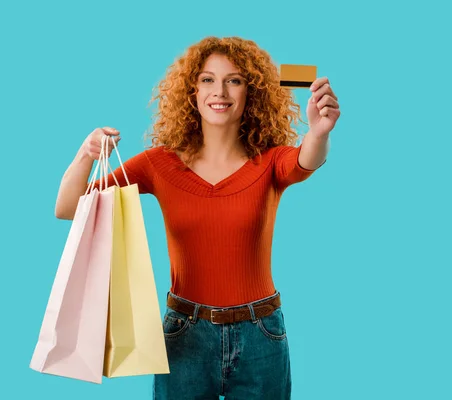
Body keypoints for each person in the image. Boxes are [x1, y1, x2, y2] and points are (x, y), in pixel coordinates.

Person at [54, 36, 340, 400]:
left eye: (233, 80)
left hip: (261, 335)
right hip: (184, 335)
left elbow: (307, 160)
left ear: (251, 91)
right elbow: (68, 209)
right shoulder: (158, 163)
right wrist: (85, 154)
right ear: (192, 90)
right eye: (207, 79)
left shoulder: (270, 160)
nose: (219, 91)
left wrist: (318, 132)